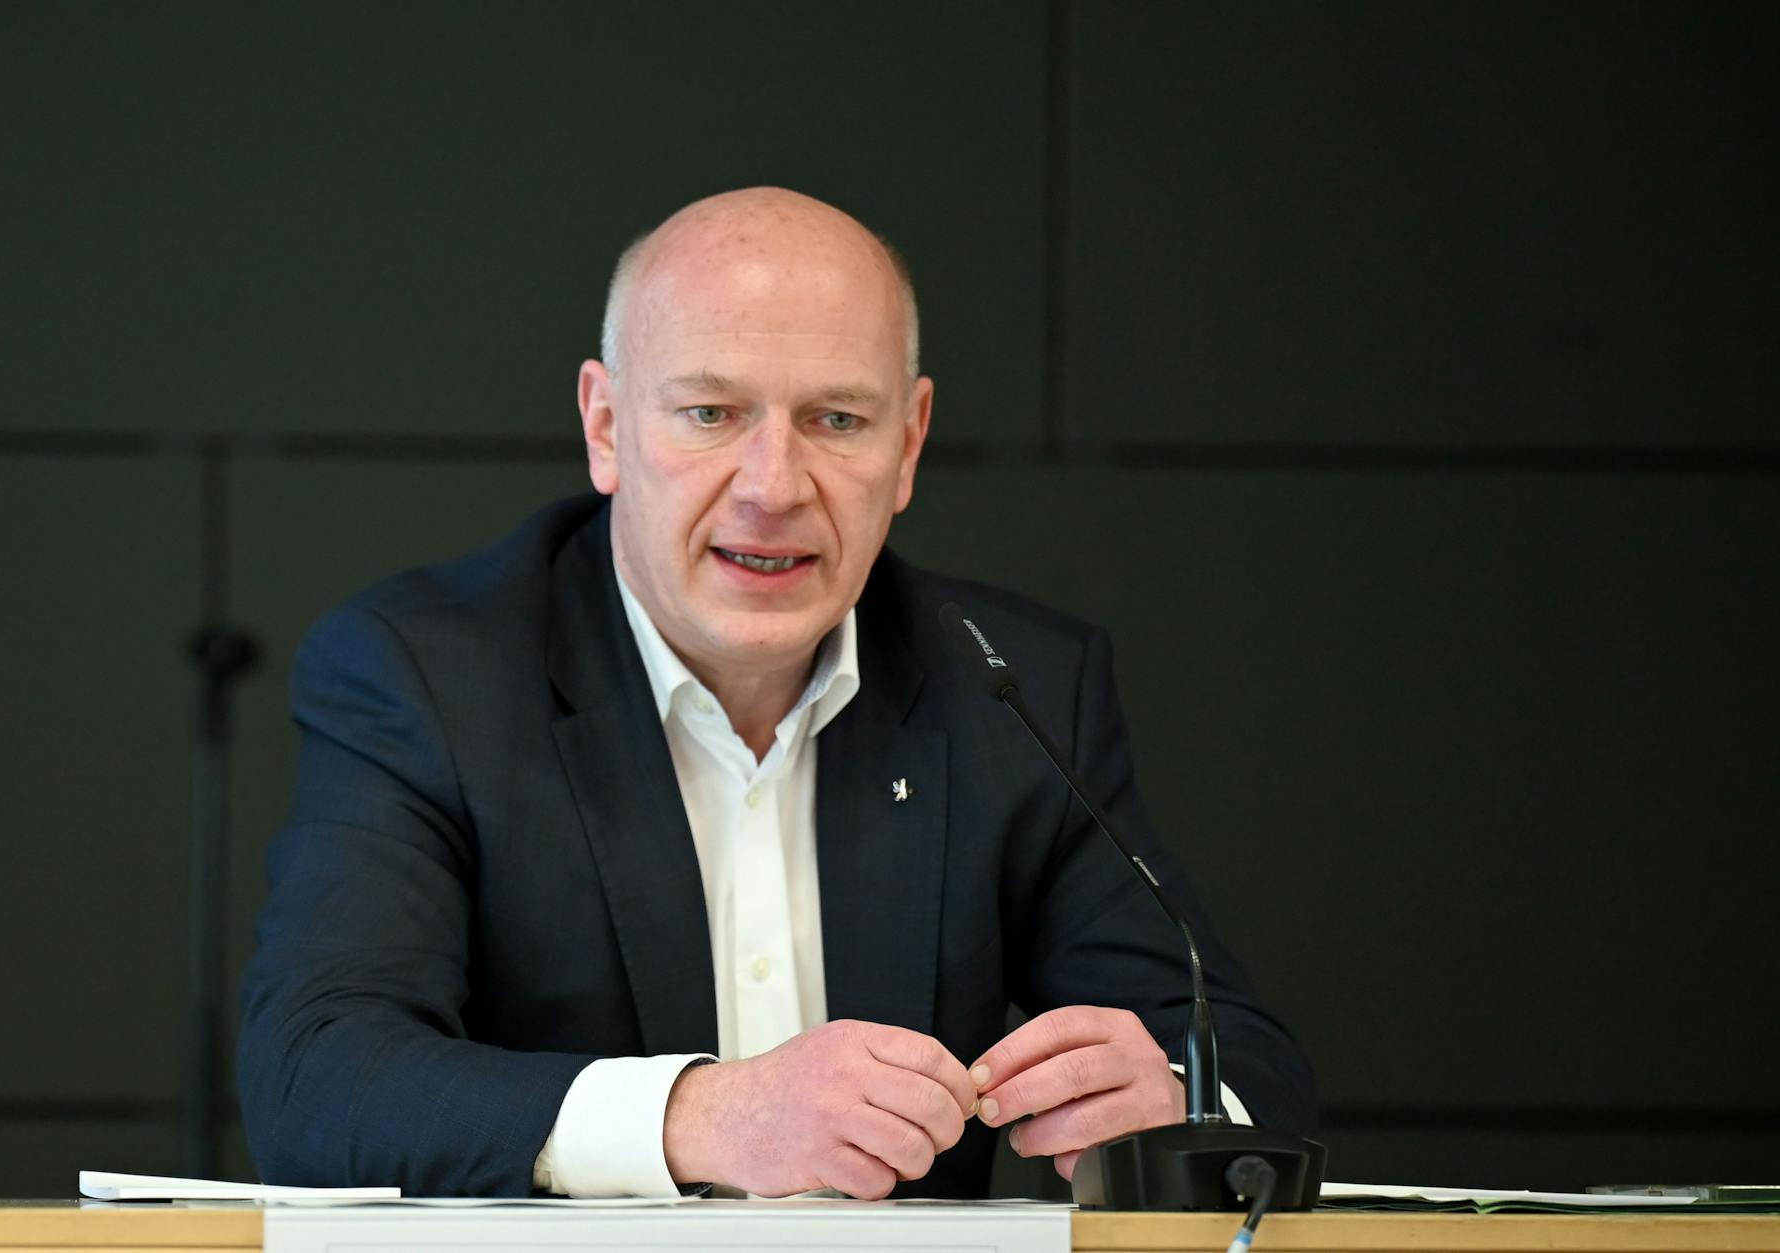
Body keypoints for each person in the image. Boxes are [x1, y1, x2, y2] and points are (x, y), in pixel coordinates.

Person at [238, 188, 1314, 1199]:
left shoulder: (1009, 688)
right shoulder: (425, 674)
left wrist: (1178, 1103)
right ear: (606, 427)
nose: (772, 487)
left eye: (836, 420)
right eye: (710, 413)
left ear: (908, 442)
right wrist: (703, 1113)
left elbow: (1248, 1065)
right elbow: (318, 1075)